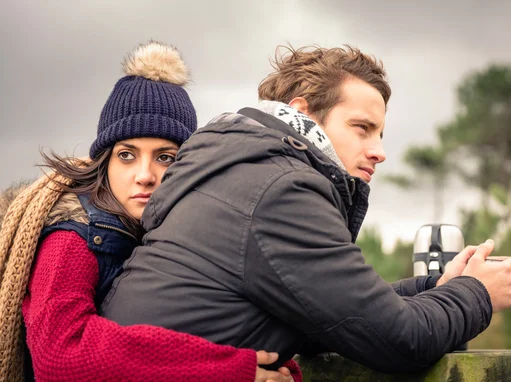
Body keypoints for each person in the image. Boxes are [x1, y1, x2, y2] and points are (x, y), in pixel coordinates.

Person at [102, 45, 511, 373]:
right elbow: (398, 340)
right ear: (301, 113)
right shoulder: (279, 191)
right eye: (362, 128)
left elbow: (334, 313)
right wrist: (478, 294)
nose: (378, 151)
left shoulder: (236, 172)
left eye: (379, 133)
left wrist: (437, 288)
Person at [0, 41, 300, 382]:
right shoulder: (73, 237)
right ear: (105, 162)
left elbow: (219, 315)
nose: (145, 175)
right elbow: (61, 356)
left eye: (165, 157)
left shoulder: (189, 236)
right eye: (127, 155)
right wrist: (224, 370)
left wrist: (278, 367)